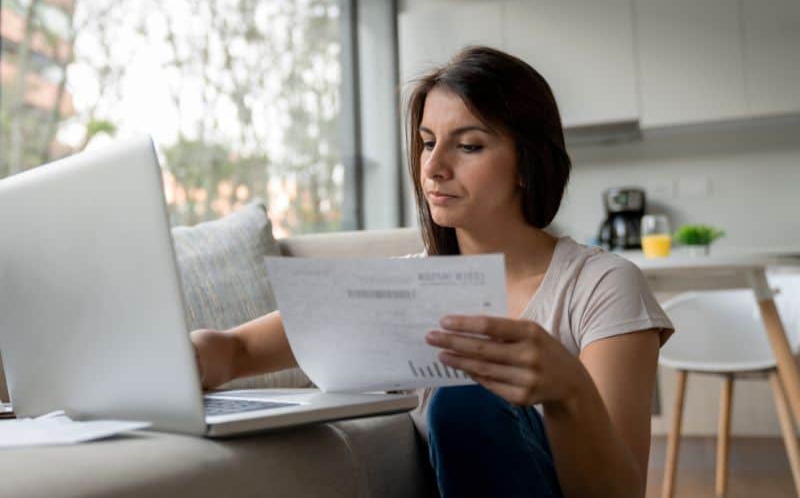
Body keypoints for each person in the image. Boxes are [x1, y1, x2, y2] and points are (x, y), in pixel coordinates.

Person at [192, 46, 674, 498]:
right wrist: (187, 356)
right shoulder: (399, 290)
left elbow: (622, 491)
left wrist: (567, 390)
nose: (433, 168)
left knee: (464, 398)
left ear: (528, 162)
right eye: (427, 143)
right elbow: (236, 351)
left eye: (468, 146)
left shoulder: (601, 285)